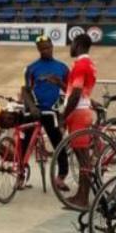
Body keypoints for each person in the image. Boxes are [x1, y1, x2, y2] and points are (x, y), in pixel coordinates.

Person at [24, 35, 70, 191]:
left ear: (52, 46)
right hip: (36, 111)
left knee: (59, 144)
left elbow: (69, 91)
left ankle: (61, 177)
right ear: (38, 50)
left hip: (52, 112)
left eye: (48, 47)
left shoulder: (62, 67)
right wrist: (31, 107)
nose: (46, 50)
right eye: (42, 48)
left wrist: (59, 83)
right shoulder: (32, 68)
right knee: (25, 144)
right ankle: (19, 176)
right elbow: (26, 91)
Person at [61, 33, 98, 209]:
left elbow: (75, 94)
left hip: (78, 113)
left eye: (72, 44)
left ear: (78, 44)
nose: (70, 48)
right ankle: (80, 195)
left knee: (83, 159)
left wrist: (63, 116)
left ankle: (83, 199)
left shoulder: (81, 65)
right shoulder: (88, 63)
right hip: (83, 111)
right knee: (83, 158)